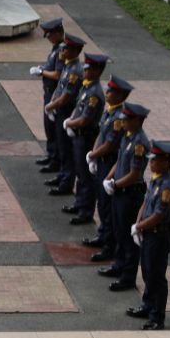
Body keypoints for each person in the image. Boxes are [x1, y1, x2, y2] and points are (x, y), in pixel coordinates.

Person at [126, 141, 170, 330]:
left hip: (159, 236)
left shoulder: (167, 188)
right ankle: (148, 305)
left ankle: (157, 317)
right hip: (149, 234)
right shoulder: (156, 180)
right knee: (148, 271)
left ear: (166, 162)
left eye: (155, 161)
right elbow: (145, 203)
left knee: (156, 276)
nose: (151, 163)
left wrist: (140, 226)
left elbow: (158, 216)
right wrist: (138, 224)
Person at [98, 102, 151, 292]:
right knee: (118, 231)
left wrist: (115, 184)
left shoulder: (139, 143)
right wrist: (108, 178)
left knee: (128, 239)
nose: (124, 122)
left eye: (127, 119)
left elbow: (135, 174)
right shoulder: (127, 137)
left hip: (130, 194)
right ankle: (119, 265)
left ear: (138, 120)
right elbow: (120, 161)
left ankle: (128, 277)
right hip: (120, 191)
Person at [84, 75, 134, 261]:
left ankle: (109, 246)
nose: (108, 93)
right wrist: (94, 153)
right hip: (102, 161)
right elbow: (101, 136)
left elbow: (111, 144)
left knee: (107, 207)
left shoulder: (119, 119)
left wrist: (94, 154)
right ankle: (103, 236)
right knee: (102, 203)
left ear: (121, 95)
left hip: (108, 161)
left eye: (112, 91)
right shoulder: (109, 112)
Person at [62, 53, 108, 225]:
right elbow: (77, 109)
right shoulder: (86, 87)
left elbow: (86, 119)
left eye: (88, 69)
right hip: (79, 135)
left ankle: (86, 210)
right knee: (80, 172)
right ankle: (80, 202)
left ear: (97, 71)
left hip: (86, 136)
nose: (85, 71)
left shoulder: (95, 93)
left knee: (86, 176)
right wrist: (72, 120)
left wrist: (70, 123)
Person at [44, 33, 85, 195]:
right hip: (60, 110)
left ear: (75, 50)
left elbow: (66, 97)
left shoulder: (75, 71)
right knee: (61, 146)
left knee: (67, 149)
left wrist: (50, 106)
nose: (62, 51)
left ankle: (66, 182)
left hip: (66, 111)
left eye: (66, 49)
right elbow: (59, 88)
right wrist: (53, 101)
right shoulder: (68, 66)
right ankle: (62, 175)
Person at [30, 18, 65, 174]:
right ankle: (51, 154)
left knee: (54, 127)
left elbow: (58, 74)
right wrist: (43, 68)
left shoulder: (62, 51)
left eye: (50, 35)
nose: (49, 38)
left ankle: (55, 160)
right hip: (49, 92)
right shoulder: (56, 48)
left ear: (58, 33)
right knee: (48, 127)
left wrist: (42, 72)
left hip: (55, 94)